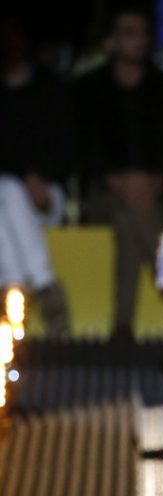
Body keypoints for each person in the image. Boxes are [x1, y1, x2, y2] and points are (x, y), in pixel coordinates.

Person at [75, 9, 163, 342]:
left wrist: (153, 182)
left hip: (152, 195)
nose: (140, 40)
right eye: (130, 32)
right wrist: (118, 181)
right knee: (129, 208)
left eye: (143, 32)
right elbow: (85, 149)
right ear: (111, 42)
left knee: (128, 219)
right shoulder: (90, 88)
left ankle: (122, 326)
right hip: (103, 192)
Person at [0, 16, 72, 337]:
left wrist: (42, 179)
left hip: (49, 197)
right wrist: (24, 177)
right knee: (7, 190)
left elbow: (66, 149)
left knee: (6, 194)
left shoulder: (50, 90)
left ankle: (12, 295)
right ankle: (44, 284)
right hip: (9, 200)